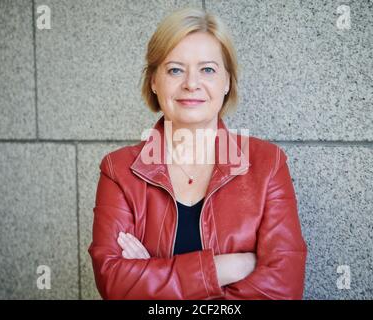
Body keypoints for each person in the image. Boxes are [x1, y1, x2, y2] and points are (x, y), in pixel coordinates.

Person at [88, 7, 307, 300]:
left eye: (207, 69)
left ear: (227, 81)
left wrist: (153, 274)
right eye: (175, 69)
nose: (191, 83)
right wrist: (224, 268)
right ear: (154, 81)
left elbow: (282, 290)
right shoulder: (119, 170)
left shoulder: (268, 164)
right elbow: (114, 284)